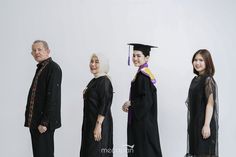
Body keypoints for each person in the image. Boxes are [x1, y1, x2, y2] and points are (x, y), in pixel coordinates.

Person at [122, 43, 162, 157]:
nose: (135, 58)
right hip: (143, 122)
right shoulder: (141, 74)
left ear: (147, 58)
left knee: (143, 152)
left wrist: (131, 103)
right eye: (133, 55)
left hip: (143, 125)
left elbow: (146, 101)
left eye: (138, 56)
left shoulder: (143, 76)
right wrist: (130, 104)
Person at [24, 40, 62, 157]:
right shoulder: (41, 68)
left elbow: (53, 97)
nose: (37, 52)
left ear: (48, 51)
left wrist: (44, 122)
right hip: (35, 122)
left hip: (43, 124)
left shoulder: (53, 68)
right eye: (34, 51)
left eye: (39, 49)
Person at [185, 49, 219, 157]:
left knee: (204, 153)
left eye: (201, 60)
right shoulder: (194, 80)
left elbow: (210, 104)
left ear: (207, 62)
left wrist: (206, 125)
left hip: (204, 123)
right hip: (195, 124)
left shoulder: (208, 80)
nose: (197, 63)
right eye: (195, 60)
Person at [80, 53, 113, 157]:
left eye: (97, 62)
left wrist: (98, 126)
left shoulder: (104, 81)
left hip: (99, 124)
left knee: (97, 152)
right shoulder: (94, 81)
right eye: (91, 61)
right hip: (90, 123)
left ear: (103, 64)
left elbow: (104, 104)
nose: (93, 64)